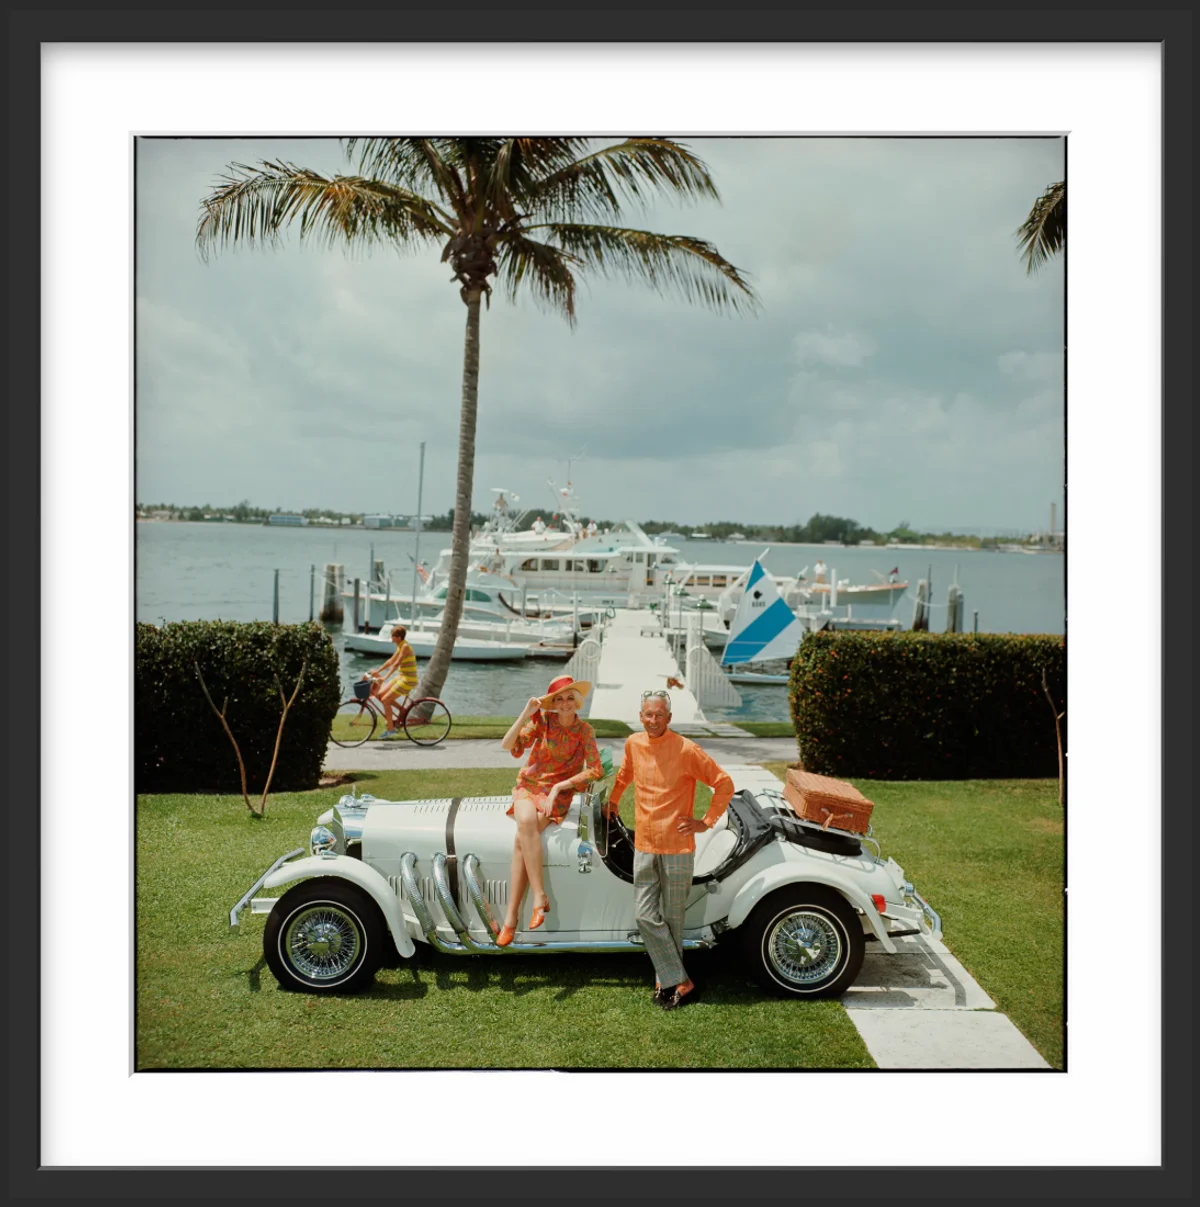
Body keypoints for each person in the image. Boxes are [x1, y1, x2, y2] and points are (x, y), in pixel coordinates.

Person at [605, 690, 734, 1009]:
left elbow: (723, 783)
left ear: (669, 718)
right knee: (645, 916)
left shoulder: (687, 749)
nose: (653, 720)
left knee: (674, 919)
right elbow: (625, 773)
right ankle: (680, 979)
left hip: (678, 848)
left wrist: (705, 822)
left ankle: (666, 981)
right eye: (648, 714)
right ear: (640, 716)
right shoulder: (633, 743)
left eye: (659, 715)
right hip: (644, 845)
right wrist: (613, 800)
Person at [496, 675, 604, 946]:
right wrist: (526, 712)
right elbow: (508, 745)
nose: (565, 704)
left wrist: (560, 786)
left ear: (576, 701)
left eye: (570, 698)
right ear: (553, 704)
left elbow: (595, 770)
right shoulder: (542, 721)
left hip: (558, 794)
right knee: (525, 820)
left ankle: (510, 919)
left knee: (521, 839)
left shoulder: (585, 731)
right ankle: (539, 896)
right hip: (529, 785)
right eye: (559, 699)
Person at [364, 624, 418, 737]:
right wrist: (378, 671)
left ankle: (390, 730)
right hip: (402, 676)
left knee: (386, 700)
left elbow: (396, 664)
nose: (391, 637)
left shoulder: (405, 647)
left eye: (392, 635)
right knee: (380, 695)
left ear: (398, 637)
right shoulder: (400, 646)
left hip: (408, 679)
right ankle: (402, 710)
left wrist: (385, 677)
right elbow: (390, 661)